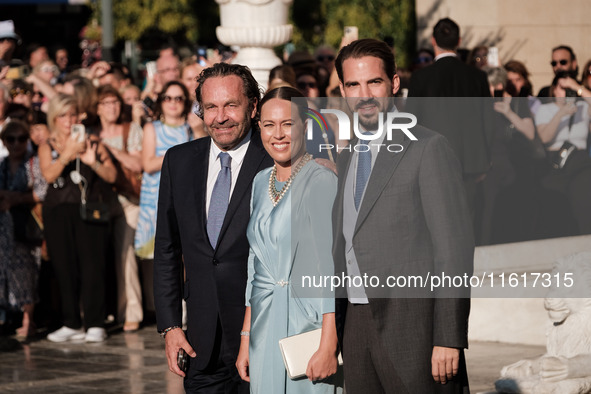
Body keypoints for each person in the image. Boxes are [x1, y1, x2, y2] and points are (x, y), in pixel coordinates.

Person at [333, 38, 473, 393]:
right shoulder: (346, 156)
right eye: (353, 84)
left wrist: (448, 337)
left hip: (414, 327)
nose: (364, 94)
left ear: (394, 83)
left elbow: (452, 251)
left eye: (374, 82)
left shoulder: (427, 147)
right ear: (343, 91)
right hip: (355, 323)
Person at [153, 63, 273, 393]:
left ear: (253, 106)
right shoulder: (178, 161)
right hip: (200, 345)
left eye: (231, 105)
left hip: (263, 337)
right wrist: (171, 326)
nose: (220, 117)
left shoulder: (275, 159)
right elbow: (166, 249)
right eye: (210, 107)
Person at [235, 87, 342, 393]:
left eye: (288, 124)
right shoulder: (259, 182)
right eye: (269, 125)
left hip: (307, 326)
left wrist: (328, 344)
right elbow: (255, 266)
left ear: (305, 127)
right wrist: (246, 338)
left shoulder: (321, 180)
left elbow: (329, 269)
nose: (278, 134)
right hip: (264, 325)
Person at [40, 93, 117, 343]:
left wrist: (92, 162)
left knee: (92, 265)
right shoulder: (47, 144)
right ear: (54, 117)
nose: (68, 119)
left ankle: (95, 321)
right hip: (58, 211)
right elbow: (49, 176)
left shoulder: (93, 141)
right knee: (64, 267)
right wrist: (67, 154)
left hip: (89, 209)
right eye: (63, 115)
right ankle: (71, 321)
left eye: (73, 114)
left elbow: (112, 176)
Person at [408, 17, 493, 235]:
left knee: (437, 226)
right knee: (468, 224)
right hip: (471, 164)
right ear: (459, 41)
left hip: (432, 163)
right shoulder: (477, 77)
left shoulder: (420, 78)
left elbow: (411, 124)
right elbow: (487, 121)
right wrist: (485, 161)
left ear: (433, 40)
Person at [93, 85, 144, 332]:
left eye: (115, 102)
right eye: (106, 103)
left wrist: (108, 149)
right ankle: (105, 310)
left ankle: (131, 311)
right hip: (100, 203)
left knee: (126, 257)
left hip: (127, 201)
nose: (112, 107)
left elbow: (137, 163)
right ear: (97, 108)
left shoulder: (130, 130)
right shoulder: (90, 132)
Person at [134, 81, 193, 261]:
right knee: (154, 259)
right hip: (155, 197)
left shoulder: (191, 129)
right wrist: (179, 154)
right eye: (167, 98)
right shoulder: (152, 127)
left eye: (178, 98)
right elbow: (148, 165)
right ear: (161, 101)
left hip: (184, 195)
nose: (173, 102)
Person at [0, 120, 47, 340]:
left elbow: (42, 191)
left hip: (26, 222)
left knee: (27, 270)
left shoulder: (33, 163)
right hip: (4, 227)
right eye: (11, 139)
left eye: (21, 139)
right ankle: (11, 317)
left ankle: (29, 319)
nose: (16, 143)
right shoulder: (1, 164)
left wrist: (17, 198)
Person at [534, 74, 591, 236]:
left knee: (583, 203)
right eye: (562, 88)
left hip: (580, 163)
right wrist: (560, 114)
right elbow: (544, 137)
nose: (565, 92)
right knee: (557, 208)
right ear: (554, 90)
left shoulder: (582, 107)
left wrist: (577, 88)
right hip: (556, 164)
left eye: (569, 88)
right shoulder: (545, 109)